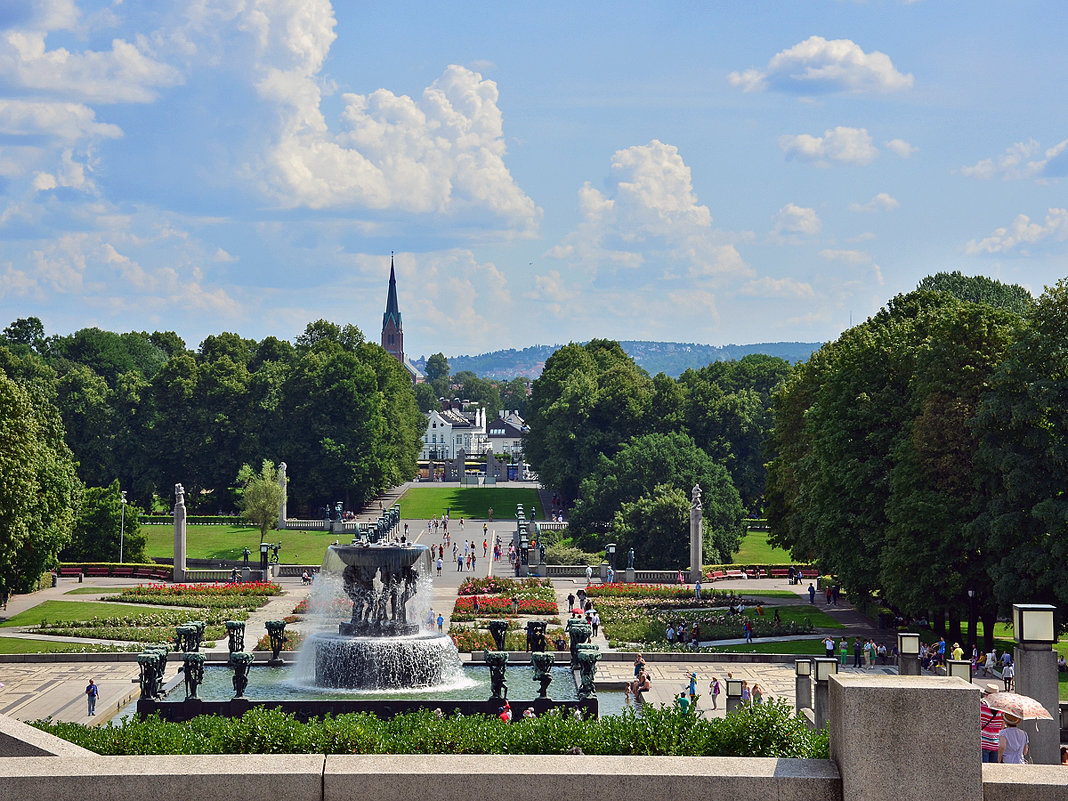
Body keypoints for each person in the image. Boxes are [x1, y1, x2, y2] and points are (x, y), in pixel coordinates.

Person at [980, 683, 1004, 763]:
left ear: (987, 695)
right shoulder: (1001, 711)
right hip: (995, 744)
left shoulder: (981, 708)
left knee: (984, 771)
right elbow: (1002, 727)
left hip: (983, 743)